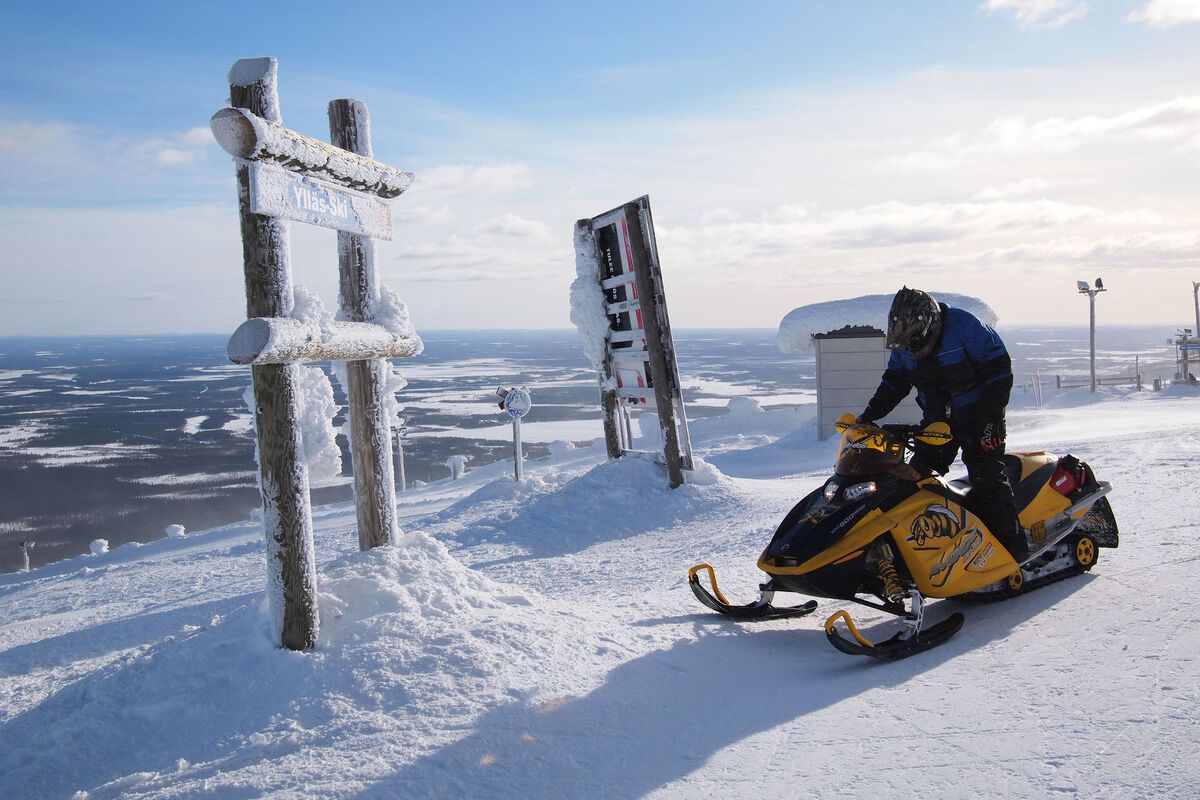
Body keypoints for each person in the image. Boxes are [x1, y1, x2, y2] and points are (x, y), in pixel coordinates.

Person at [857, 287, 1028, 561]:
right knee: (915, 478)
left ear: (928, 323)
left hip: (981, 415)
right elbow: (894, 382)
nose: (911, 345)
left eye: (915, 338)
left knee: (986, 475)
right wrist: (869, 416)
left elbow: (999, 371)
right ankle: (925, 550)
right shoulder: (905, 344)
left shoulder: (966, 327)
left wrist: (988, 416)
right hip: (937, 421)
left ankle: (1014, 551)